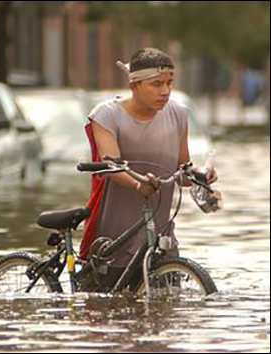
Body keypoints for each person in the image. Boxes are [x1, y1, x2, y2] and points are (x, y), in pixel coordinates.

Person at [79, 48, 218, 292]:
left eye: (169, 83)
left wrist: (199, 176)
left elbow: (181, 169)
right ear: (134, 85)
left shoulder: (178, 114)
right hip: (114, 237)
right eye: (156, 84)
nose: (165, 91)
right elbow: (111, 165)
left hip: (161, 236)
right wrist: (137, 184)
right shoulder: (106, 115)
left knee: (164, 315)